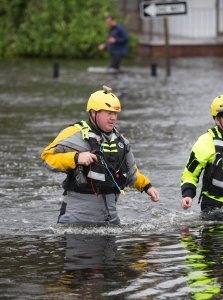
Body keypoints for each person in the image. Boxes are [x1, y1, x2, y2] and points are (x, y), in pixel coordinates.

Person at [41, 85, 159, 225]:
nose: (113, 118)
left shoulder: (122, 142)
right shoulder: (73, 134)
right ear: (92, 113)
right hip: (77, 221)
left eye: (115, 113)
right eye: (107, 113)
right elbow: (47, 159)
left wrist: (147, 187)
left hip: (111, 221)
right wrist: (76, 158)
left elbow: (131, 173)